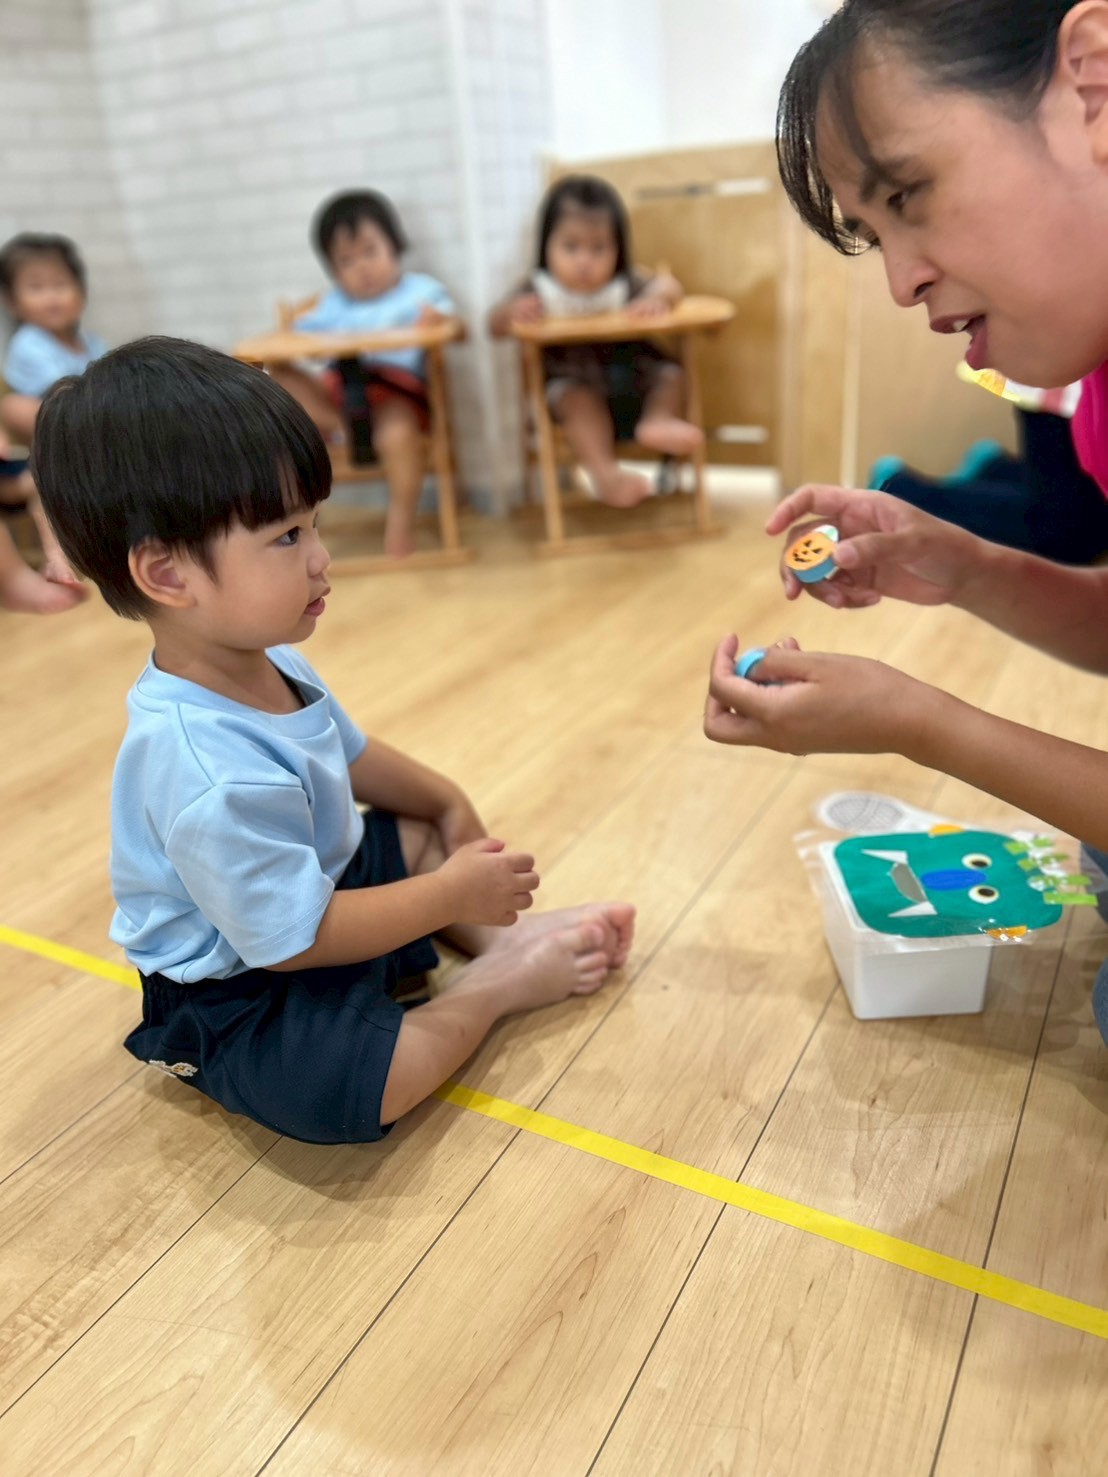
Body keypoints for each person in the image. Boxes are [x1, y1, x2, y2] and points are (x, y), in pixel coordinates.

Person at [34, 337, 635, 1143]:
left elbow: (352, 755)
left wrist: (448, 803)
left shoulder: (266, 653)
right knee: (360, 1085)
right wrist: (450, 894)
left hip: (310, 894)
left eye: (312, 524)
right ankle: (496, 983)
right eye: (287, 536)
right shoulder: (202, 768)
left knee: (413, 829)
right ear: (168, 574)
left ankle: (510, 939)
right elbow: (294, 941)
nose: (322, 558)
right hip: (242, 983)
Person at [703, 0, 1108, 1046]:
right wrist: (965, 565)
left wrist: (918, 721)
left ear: (1093, 81)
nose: (898, 281)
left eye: (907, 195)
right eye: (875, 234)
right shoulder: (1097, 393)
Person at [489, 174, 703, 508]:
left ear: (618, 249)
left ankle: (657, 419)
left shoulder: (624, 283)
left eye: (598, 248)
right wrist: (511, 312)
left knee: (671, 375)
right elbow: (494, 324)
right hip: (572, 390)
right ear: (546, 245)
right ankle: (606, 477)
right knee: (576, 399)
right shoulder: (539, 290)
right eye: (571, 247)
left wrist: (657, 298)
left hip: (633, 385)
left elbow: (669, 286)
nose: (584, 261)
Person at [270, 189, 458, 560]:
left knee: (398, 432)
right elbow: (293, 339)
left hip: (396, 393)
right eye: (346, 260)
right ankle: (348, 426)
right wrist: (304, 342)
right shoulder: (333, 304)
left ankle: (401, 521)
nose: (362, 267)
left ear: (394, 245)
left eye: (370, 251)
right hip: (341, 394)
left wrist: (437, 319)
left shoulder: (420, 292)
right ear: (333, 269)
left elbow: (452, 325)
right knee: (279, 377)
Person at [0, 233, 100, 610]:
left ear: (81, 293)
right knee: (44, 477)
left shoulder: (90, 343)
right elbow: (63, 403)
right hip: (24, 463)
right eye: (36, 288)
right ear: (13, 302)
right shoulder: (29, 344)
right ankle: (57, 558)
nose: (52, 297)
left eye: (60, 285)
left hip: (75, 450)